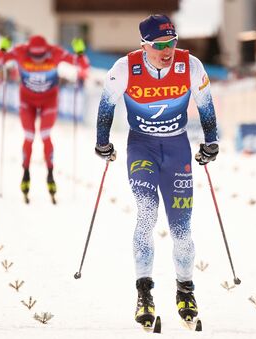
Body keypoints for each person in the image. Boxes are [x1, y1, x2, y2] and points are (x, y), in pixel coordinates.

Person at [94, 15, 219, 327]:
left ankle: (186, 290)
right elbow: (106, 104)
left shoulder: (190, 66)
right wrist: (102, 142)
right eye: (159, 44)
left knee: (182, 230)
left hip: (177, 149)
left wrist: (211, 142)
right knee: (147, 213)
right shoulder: (125, 67)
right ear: (144, 45)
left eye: (172, 43)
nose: (167, 50)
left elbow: (205, 103)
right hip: (142, 148)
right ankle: (144, 293)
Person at [0, 35, 89, 202]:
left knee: (45, 135)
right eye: (34, 57)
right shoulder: (20, 52)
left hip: (49, 101)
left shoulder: (55, 53)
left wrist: (80, 52)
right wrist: (3, 50)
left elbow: (83, 66)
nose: (38, 61)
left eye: (41, 57)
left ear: (46, 51)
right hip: (27, 102)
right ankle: (25, 173)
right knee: (28, 136)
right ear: (29, 51)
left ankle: (50, 174)